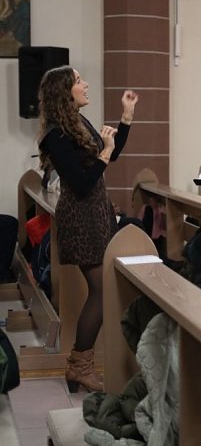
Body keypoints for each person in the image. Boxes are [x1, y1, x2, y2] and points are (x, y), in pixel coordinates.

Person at [37, 66, 138, 392]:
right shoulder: (55, 135)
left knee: (102, 288)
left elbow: (112, 155)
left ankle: (79, 366)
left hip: (96, 212)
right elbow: (81, 182)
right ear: (65, 91)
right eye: (79, 81)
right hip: (80, 216)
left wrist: (125, 119)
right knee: (101, 289)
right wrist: (105, 153)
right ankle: (80, 366)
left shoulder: (78, 123)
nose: (86, 84)